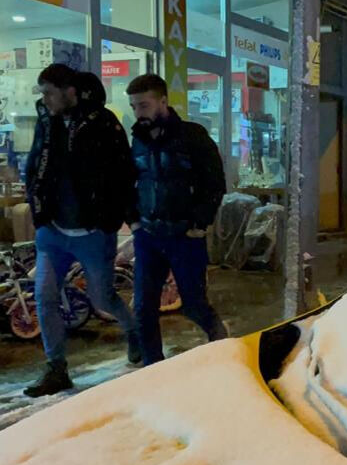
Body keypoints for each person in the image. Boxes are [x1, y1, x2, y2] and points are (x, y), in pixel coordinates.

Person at [23, 64, 138, 397]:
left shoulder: (103, 123)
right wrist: (38, 209)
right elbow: (36, 163)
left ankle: (133, 332)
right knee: (44, 296)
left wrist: (113, 217)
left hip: (92, 231)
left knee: (101, 297)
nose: (44, 99)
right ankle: (56, 368)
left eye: (48, 92)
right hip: (52, 232)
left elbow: (123, 173)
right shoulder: (47, 120)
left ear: (69, 92)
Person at [127, 74, 228, 365]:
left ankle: (221, 343)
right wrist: (133, 221)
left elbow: (214, 182)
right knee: (144, 307)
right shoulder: (138, 141)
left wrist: (200, 223)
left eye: (143, 105)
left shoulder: (192, 136)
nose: (138, 113)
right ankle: (152, 367)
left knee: (194, 303)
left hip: (185, 236)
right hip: (148, 235)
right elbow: (127, 182)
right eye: (134, 106)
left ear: (163, 101)